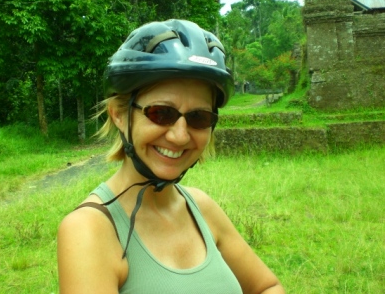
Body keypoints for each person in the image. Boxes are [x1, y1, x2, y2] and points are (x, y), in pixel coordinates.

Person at [57, 19, 285, 294]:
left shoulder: (201, 208)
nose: (180, 136)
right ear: (118, 114)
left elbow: (267, 286)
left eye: (199, 117)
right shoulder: (89, 231)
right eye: (161, 113)